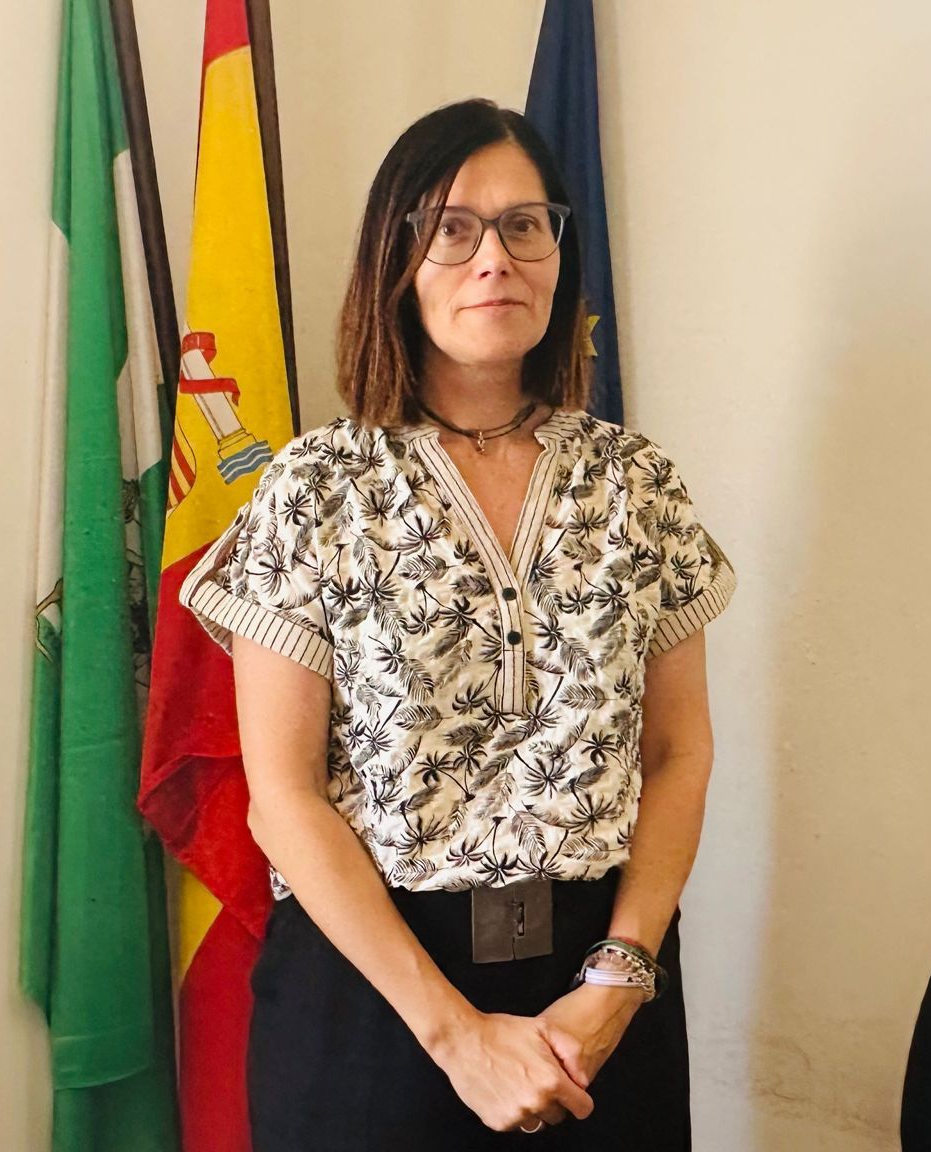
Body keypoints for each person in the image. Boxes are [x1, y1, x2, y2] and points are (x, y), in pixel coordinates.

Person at [181, 97, 735, 1150]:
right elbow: (282, 797)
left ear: (560, 256)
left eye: (525, 225)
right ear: (393, 260)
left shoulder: (637, 485)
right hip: (373, 997)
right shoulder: (314, 490)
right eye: (451, 228)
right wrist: (455, 1037)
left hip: (601, 994)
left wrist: (619, 978)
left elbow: (679, 753)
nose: (495, 259)